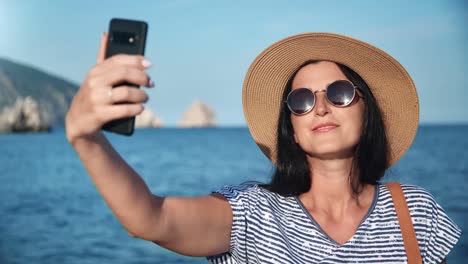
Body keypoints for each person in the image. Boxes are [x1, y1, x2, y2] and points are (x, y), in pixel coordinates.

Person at [66, 32, 461, 263]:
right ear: (291, 127)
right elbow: (151, 219)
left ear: (366, 110)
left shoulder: (416, 211)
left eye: (339, 93)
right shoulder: (252, 213)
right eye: (302, 100)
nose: (320, 106)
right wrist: (87, 139)